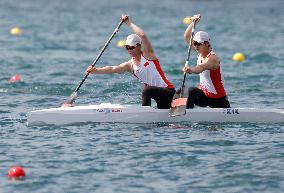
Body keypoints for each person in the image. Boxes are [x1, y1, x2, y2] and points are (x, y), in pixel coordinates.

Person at [86, 14, 175, 109]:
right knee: (150, 94)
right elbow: (113, 69)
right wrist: (95, 70)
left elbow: (142, 35)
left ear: (139, 46)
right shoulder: (129, 65)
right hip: (158, 96)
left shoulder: (148, 55)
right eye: (127, 47)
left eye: (132, 47)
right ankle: (149, 115)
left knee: (146, 90)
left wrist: (129, 23)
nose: (129, 50)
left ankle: (144, 114)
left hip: (169, 92)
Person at [183, 14, 230, 108]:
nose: (195, 46)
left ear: (206, 44)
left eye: (198, 44)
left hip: (218, 100)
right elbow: (187, 36)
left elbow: (201, 67)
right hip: (204, 96)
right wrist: (194, 23)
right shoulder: (200, 51)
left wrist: (191, 70)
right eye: (194, 43)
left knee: (190, 90)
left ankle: (188, 114)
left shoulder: (213, 59)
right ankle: (183, 114)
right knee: (184, 91)